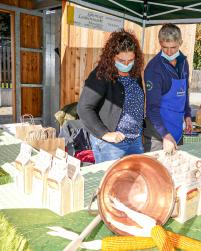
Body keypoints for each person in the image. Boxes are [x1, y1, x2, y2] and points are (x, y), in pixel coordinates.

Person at [77, 30, 144, 163]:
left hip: (135, 140)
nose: (126, 65)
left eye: (130, 60)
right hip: (111, 145)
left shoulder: (135, 74)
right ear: (112, 56)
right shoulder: (101, 75)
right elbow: (84, 108)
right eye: (121, 60)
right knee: (111, 182)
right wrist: (105, 134)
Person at [143, 23, 192, 153]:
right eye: (165, 47)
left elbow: (184, 91)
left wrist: (187, 114)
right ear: (160, 43)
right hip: (158, 134)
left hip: (177, 128)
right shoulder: (154, 69)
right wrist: (165, 135)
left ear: (180, 42)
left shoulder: (183, 62)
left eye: (173, 47)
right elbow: (151, 108)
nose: (169, 52)